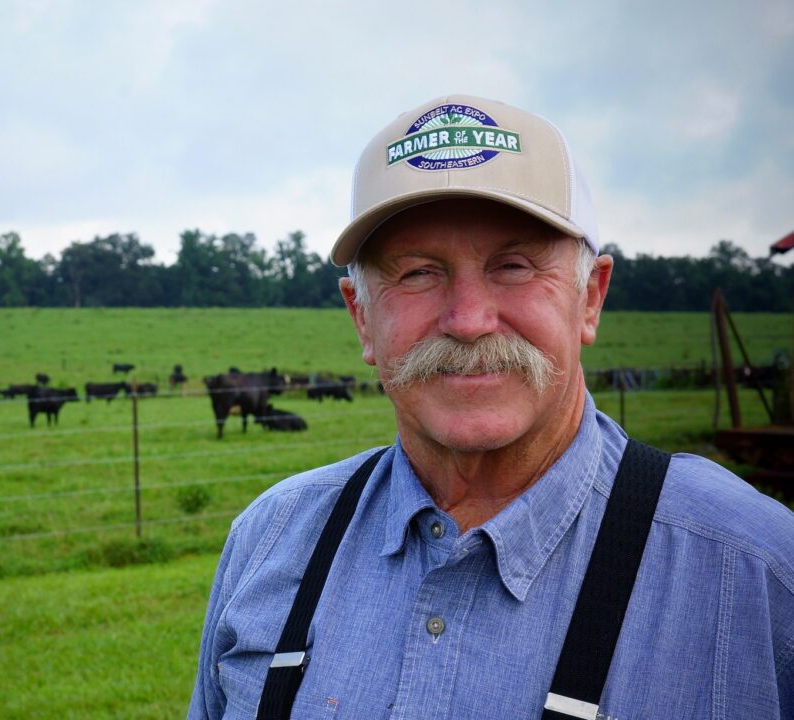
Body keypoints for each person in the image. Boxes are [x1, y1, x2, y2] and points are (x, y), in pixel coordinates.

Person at [188, 94, 794, 719]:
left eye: (513, 265)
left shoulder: (757, 574)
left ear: (591, 298)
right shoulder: (271, 542)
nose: (469, 321)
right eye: (419, 273)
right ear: (361, 316)